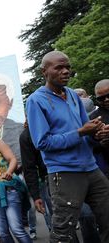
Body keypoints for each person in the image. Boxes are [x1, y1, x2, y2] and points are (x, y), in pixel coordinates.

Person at [25, 50, 109, 242]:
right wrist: (81, 132)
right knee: (63, 233)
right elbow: (42, 142)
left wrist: (98, 134)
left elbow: (85, 132)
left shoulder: (72, 94)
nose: (66, 71)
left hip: (91, 167)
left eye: (68, 67)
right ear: (44, 71)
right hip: (64, 173)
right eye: (59, 67)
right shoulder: (35, 100)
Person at [19, 119, 52, 232]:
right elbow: (29, 167)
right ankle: (35, 229)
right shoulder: (25, 136)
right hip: (39, 179)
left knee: (50, 205)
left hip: (58, 174)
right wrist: (36, 196)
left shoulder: (52, 126)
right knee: (35, 207)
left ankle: (52, 228)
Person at [89, 79, 109, 178]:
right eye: (101, 98)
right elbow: (89, 145)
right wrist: (100, 142)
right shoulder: (93, 118)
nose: (106, 100)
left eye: (108, 96)